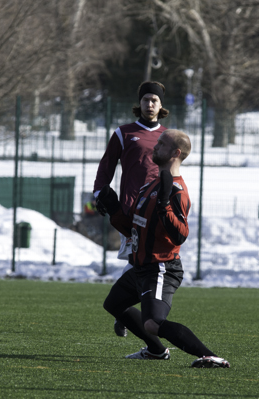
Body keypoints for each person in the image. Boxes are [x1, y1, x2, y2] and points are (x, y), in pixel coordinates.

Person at [96, 129, 230, 368]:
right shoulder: (149, 186)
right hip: (140, 267)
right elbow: (134, 230)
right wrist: (114, 209)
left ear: (175, 153)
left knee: (153, 323)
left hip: (161, 268)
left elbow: (180, 235)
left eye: (161, 144)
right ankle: (156, 351)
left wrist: (164, 206)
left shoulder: (176, 191)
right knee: (114, 304)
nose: (154, 147)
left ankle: (211, 356)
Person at [93, 81, 169, 337]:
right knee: (139, 261)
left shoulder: (168, 137)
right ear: (140, 103)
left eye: (154, 100)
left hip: (157, 211)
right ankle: (124, 310)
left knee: (140, 261)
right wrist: (99, 191)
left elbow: (174, 174)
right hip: (130, 210)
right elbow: (106, 165)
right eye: (146, 99)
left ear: (161, 105)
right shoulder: (124, 133)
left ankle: (122, 310)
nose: (150, 104)